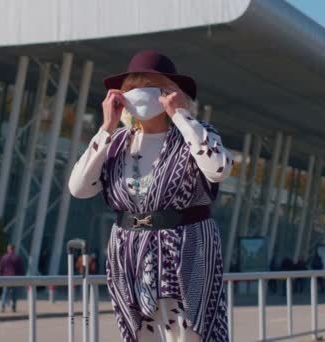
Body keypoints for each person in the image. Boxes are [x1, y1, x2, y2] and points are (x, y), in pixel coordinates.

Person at [69, 50, 234, 342]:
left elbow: (219, 168)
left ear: (171, 92)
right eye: (132, 87)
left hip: (187, 250)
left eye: (150, 85)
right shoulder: (116, 143)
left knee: (189, 335)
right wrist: (106, 127)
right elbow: (79, 187)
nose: (139, 94)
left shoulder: (194, 135)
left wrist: (181, 115)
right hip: (129, 254)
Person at [0, 244, 24, 313]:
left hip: (6, 277)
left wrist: (1, 276)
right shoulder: (17, 258)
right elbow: (20, 269)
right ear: (14, 249)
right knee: (14, 294)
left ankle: (3, 307)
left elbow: (1, 268)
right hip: (15, 278)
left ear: (8, 249)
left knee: (4, 293)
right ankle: (14, 307)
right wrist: (22, 278)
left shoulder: (4, 257)